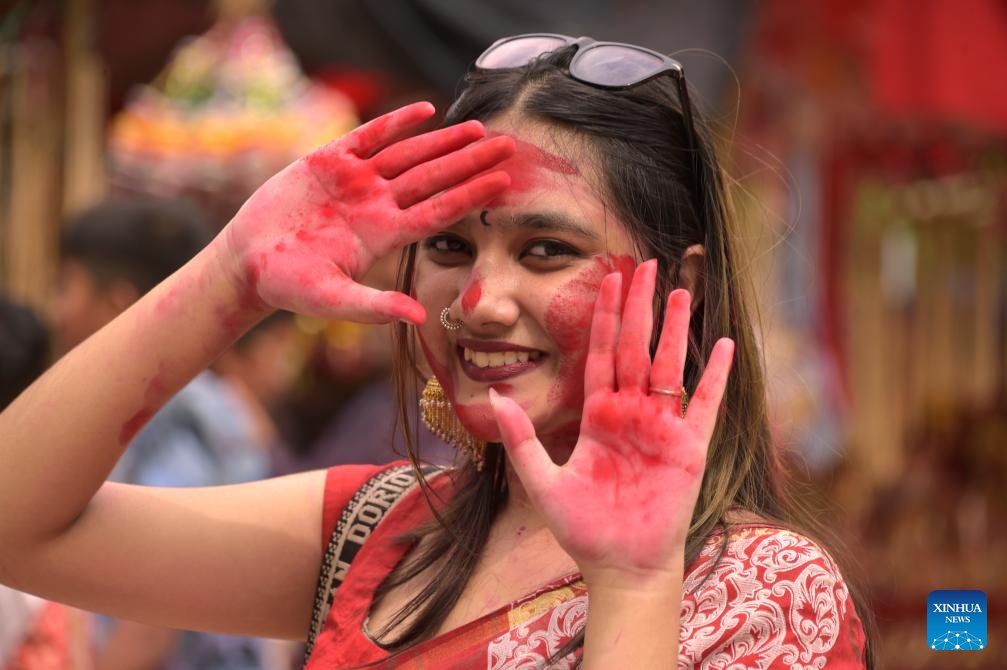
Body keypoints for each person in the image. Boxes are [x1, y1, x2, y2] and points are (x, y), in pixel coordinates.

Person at [0, 33, 873, 668]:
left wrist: (635, 584)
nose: (479, 304)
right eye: (450, 249)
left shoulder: (762, 592)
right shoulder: (378, 533)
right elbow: (16, 527)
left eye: (545, 251)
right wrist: (232, 276)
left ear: (682, 285)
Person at [50, 196, 273, 670]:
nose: (56, 313)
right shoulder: (206, 402)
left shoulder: (169, 415)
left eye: (65, 286)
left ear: (118, 304)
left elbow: (149, 622)